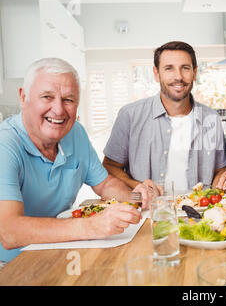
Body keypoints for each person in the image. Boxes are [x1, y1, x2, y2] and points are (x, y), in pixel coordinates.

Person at [0, 58, 151, 264]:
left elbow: (105, 184)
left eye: (68, 100)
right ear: (23, 97)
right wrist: (93, 226)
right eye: (47, 97)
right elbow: (8, 232)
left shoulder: (75, 132)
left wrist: (135, 199)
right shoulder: (5, 144)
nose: (59, 110)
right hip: (11, 265)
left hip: (60, 251)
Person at [103, 41, 226, 194]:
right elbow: (110, 166)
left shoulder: (211, 119)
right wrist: (136, 186)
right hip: (147, 212)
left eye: (185, 68)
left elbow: (219, 170)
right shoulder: (130, 115)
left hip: (199, 212)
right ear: (156, 74)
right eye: (169, 68)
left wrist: (225, 180)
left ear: (194, 73)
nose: (178, 77)